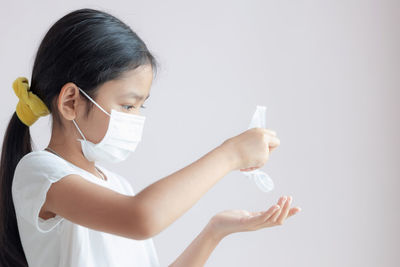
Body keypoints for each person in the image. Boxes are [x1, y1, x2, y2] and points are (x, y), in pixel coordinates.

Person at [0, 8, 301, 267]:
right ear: (71, 102)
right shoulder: (39, 173)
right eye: (128, 105)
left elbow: (139, 218)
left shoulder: (118, 187)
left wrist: (216, 230)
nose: (136, 118)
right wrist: (231, 153)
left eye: (141, 106)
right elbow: (141, 217)